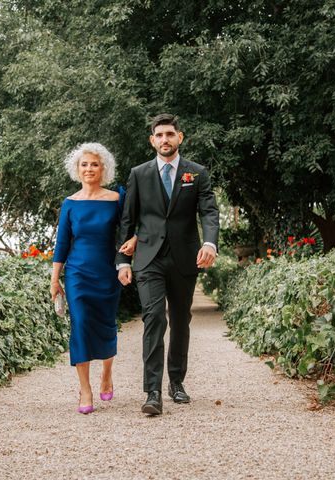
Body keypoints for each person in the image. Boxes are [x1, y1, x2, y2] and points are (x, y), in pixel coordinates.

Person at [116, 114, 219, 415]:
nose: (165, 140)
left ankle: (177, 381)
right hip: (148, 257)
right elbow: (128, 218)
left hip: (185, 257)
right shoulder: (139, 173)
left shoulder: (196, 173)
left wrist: (210, 243)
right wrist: (123, 260)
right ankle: (152, 392)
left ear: (180, 138)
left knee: (179, 320)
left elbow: (209, 212)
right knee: (154, 318)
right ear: (152, 140)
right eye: (159, 135)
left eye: (170, 134)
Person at [51, 143, 136, 414]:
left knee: (107, 324)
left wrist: (133, 240)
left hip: (107, 271)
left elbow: (130, 227)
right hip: (77, 273)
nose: (89, 169)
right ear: (77, 169)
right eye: (84, 164)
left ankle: (107, 373)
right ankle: (85, 390)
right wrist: (55, 280)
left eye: (94, 164)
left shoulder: (116, 198)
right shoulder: (70, 203)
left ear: (104, 169)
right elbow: (62, 243)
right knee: (81, 325)